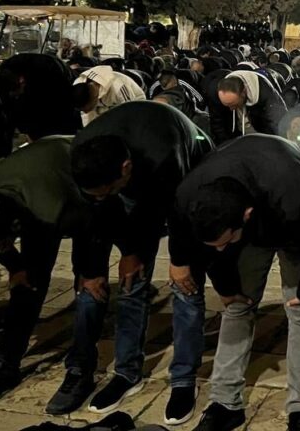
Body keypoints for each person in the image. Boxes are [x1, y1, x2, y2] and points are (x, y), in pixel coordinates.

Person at [45, 102, 212, 417]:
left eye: (108, 190)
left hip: (190, 180)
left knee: (186, 284)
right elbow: (93, 210)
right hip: (137, 183)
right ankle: (127, 373)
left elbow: (177, 212)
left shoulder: (165, 157)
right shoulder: (84, 150)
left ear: (125, 168)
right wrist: (120, 257)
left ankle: (183, 379)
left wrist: (179, 262)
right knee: (131, 280)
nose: (100, 196)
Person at [168, 135, 300, 431]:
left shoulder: (294, 192)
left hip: (297, 226)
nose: (221, 250)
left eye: (226, 242)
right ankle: (225, 403)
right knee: (238, 305)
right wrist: (227, 288)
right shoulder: (191, 194)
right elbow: (210, 248)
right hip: (249, 213)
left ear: (246, 216)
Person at [0, 136, 91, 407]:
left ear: (11, 232)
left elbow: (90, 224)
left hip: (73, 181)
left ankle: (81, 367)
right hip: (31, 178)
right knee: (25, 286)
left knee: (87, 286)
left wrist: (90, 270)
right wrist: (16, 267)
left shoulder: (49, 210)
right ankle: (5, 364)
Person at [207, 70, 287, 145]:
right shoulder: (215, 93)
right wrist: (225, 145)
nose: (231, 109)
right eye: (226, 105)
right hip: (234, 134)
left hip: (260, 133)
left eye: (234, 105)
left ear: (243, 93)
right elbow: (217, 123)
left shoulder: (267, 94)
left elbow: (279, 124)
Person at [72, 65, 145, 126]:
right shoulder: (78, 84)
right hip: (104, 106)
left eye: (87, 109)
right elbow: (87, 117)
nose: (85, 112)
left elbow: (130, 113)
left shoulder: (118, 87)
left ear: (95, 97)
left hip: (134, 102)